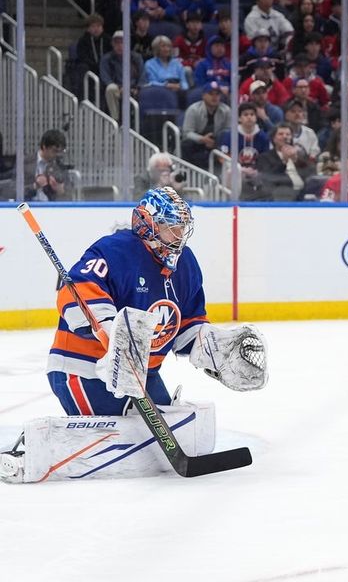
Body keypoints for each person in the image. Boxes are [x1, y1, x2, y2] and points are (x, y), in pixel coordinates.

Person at [0, 187, 268, 483]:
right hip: (85, 369)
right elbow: (74, 292)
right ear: (147, 224)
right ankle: (28, 449)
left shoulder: (186, 264)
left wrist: (217, 350)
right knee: (114, 442)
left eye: (181, 226)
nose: (178, 234)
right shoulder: (115, 250)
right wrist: (110, 330)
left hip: (144, 374)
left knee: (164, 438)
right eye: (170, 226)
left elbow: (187, 324)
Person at [181, 81, 231, 167]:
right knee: (186, 144)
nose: (214, 97)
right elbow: (187, 133)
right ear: (203, 96)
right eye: (211, 94)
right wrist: (202, 139)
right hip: (197, 142)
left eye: (217, 94)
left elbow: (228, 131)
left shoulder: (226, 110)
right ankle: (189, 170)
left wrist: (216, 141)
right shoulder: (193, 109)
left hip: (216, 141)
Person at [100, 30, 146, 122]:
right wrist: (120, 87)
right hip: (117, 89)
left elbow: (142, 75)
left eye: (122, 43)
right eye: (117, 43)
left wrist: (137, 88)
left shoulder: (136, 58)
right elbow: (105, 77)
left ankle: (141, 122)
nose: (120, 46)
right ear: (112, 44)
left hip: (134, 89)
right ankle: (115, 120)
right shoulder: (106, 59)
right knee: (110, 88)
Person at [256, 124, 307, 199]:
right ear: (273, 138)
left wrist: (296, 160)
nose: (285, 137)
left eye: (288, 134)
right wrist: (284, 161)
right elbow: (268, 176)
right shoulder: (265, 157)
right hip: (281, 192)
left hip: (303, 191)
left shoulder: (300, 154)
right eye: (281, 134)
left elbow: (310, 172)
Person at [20, 129, 73, 202]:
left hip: (50, 208)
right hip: (28, 206)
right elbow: (12, 191)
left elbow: (69, 195)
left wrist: (60, 191)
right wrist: (35, 186)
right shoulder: (25, 162)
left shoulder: (60, 166)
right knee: (23, 210)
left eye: (60, 152)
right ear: (44, 147)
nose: (57, 155)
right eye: (54, 151)